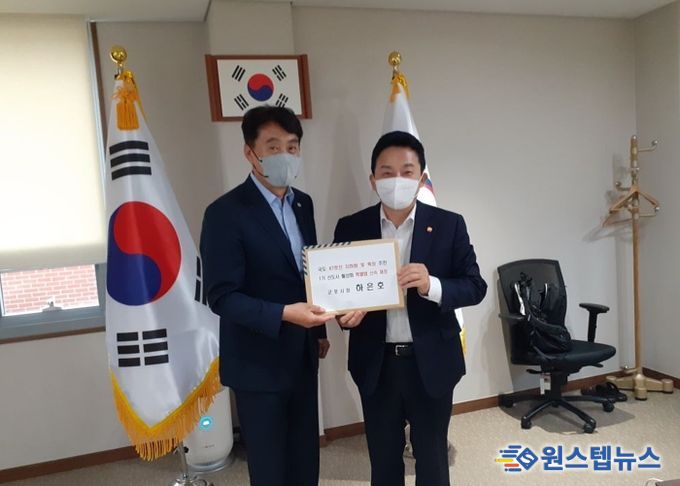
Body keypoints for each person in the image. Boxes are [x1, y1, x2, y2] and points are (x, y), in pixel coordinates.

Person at [333, 131, 487, 486]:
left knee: (432, 460)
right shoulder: (352, 226)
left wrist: (432, 284)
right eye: (386, 172)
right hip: (377, 364)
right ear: (372, 180)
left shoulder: (449, 224)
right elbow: (338, 293)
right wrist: (344, 316)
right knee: (383, 460)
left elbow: (474, 286)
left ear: (421, 178)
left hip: (431, 361)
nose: (396, 180)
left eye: (406, 171)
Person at [200, 106, 333, 486]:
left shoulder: (303, 203)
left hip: (302, 356)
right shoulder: (225, 212)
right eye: (273, 147)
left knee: (305, 460)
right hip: (256, 363)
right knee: (270, 469)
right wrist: (285, 314)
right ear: (250, 152)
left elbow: (307, 274)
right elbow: (222, 296)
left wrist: (319, 332)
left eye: (292, 147)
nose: (284, 156)